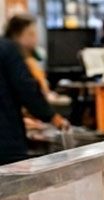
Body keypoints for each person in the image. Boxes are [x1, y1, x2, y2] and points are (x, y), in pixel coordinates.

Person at [1, 14, 67, 164]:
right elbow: (26, 89)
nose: (35, 39)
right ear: (20, 34)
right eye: (32, 34)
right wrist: (51, 116)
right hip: (7, 141)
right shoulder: (9, 50)